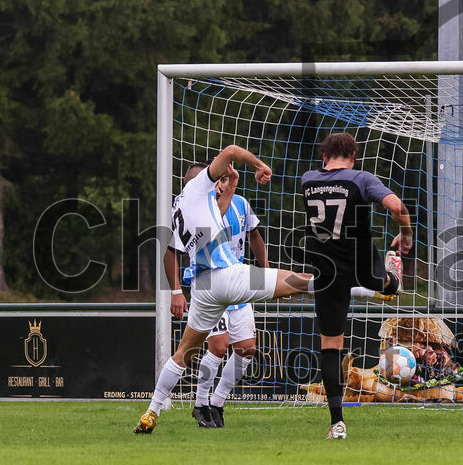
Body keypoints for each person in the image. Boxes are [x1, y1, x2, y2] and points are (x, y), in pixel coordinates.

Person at [135, 146, 315, 434]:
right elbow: (230, 150)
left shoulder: (182, 207)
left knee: (189, 352)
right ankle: (360, 288)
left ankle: (152, 411)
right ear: (203, 181)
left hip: (209, 288)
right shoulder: (198, 188)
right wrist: (259, 165)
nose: (217, 182)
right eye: (215, 179)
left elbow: (215, 219)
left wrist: (231, 184)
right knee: (300, 282)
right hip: (224, 277)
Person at [302, 132, 412, 440]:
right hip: (360, 265)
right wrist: (406, 234)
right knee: (385, 285)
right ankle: (392, 272)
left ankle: (337, 422)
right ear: (353, 156)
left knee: (330, 345)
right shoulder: (361, 178)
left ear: (324, 156)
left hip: (326, 270)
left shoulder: (308, 179)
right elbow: (396, 206)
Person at [165, 169, 267, 428]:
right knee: (219, 346)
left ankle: (217, 403)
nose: (219, 184)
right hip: (208, 282)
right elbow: (171, 251)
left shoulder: (240, 204)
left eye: (223, 179)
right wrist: (176, 291)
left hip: (237, 280)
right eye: (216, 179)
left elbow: (254, 235)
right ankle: (200, 404)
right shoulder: (194, 210)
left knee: (247, 348)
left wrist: (264, 270)